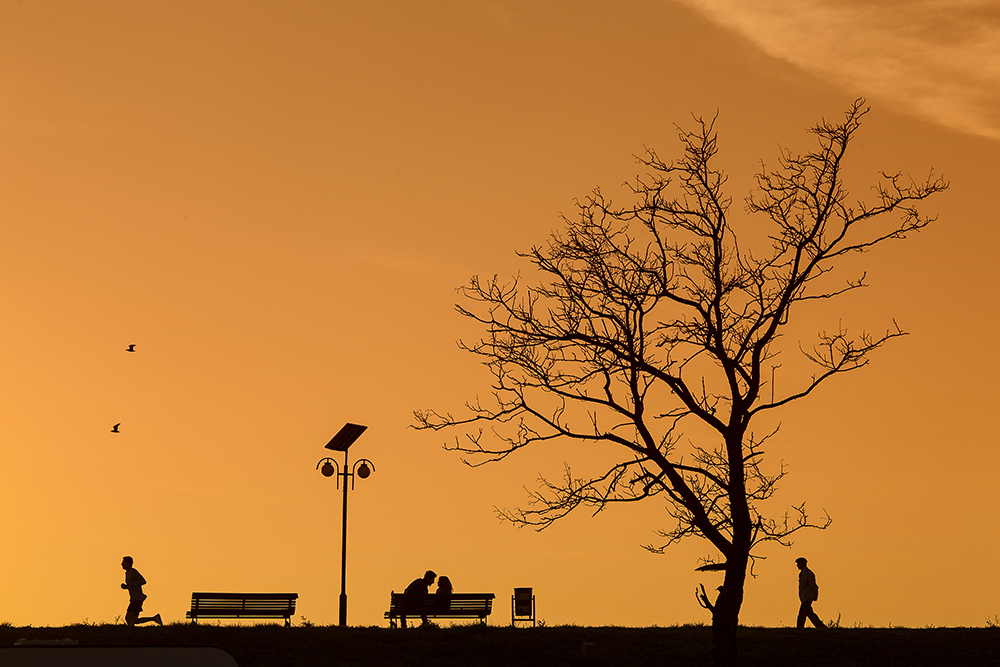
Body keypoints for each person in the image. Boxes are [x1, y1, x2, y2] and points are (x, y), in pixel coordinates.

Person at [121, 556, 162, 626]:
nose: (122, 564)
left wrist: (131, 585)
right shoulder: (127, 573)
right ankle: (154, 618)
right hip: (134, 598)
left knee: (128, 618)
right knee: (135, 620)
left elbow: (143, 581)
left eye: (123, 562)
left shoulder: (133, 571)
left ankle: (132, 631)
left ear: (128, 563)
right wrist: (126, 587)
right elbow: (132, 586)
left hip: (137, 598)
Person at [795, 557, 826, 628]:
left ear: (803, 564)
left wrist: (815, 595)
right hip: (804, 597)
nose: (797, 565)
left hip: (808, 597)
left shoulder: (808, 574)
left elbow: (813, 586)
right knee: (810, 614)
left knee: (802, 614)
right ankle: (821, 627)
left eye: (798, 564)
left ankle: (799, 628)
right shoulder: (802, 574)